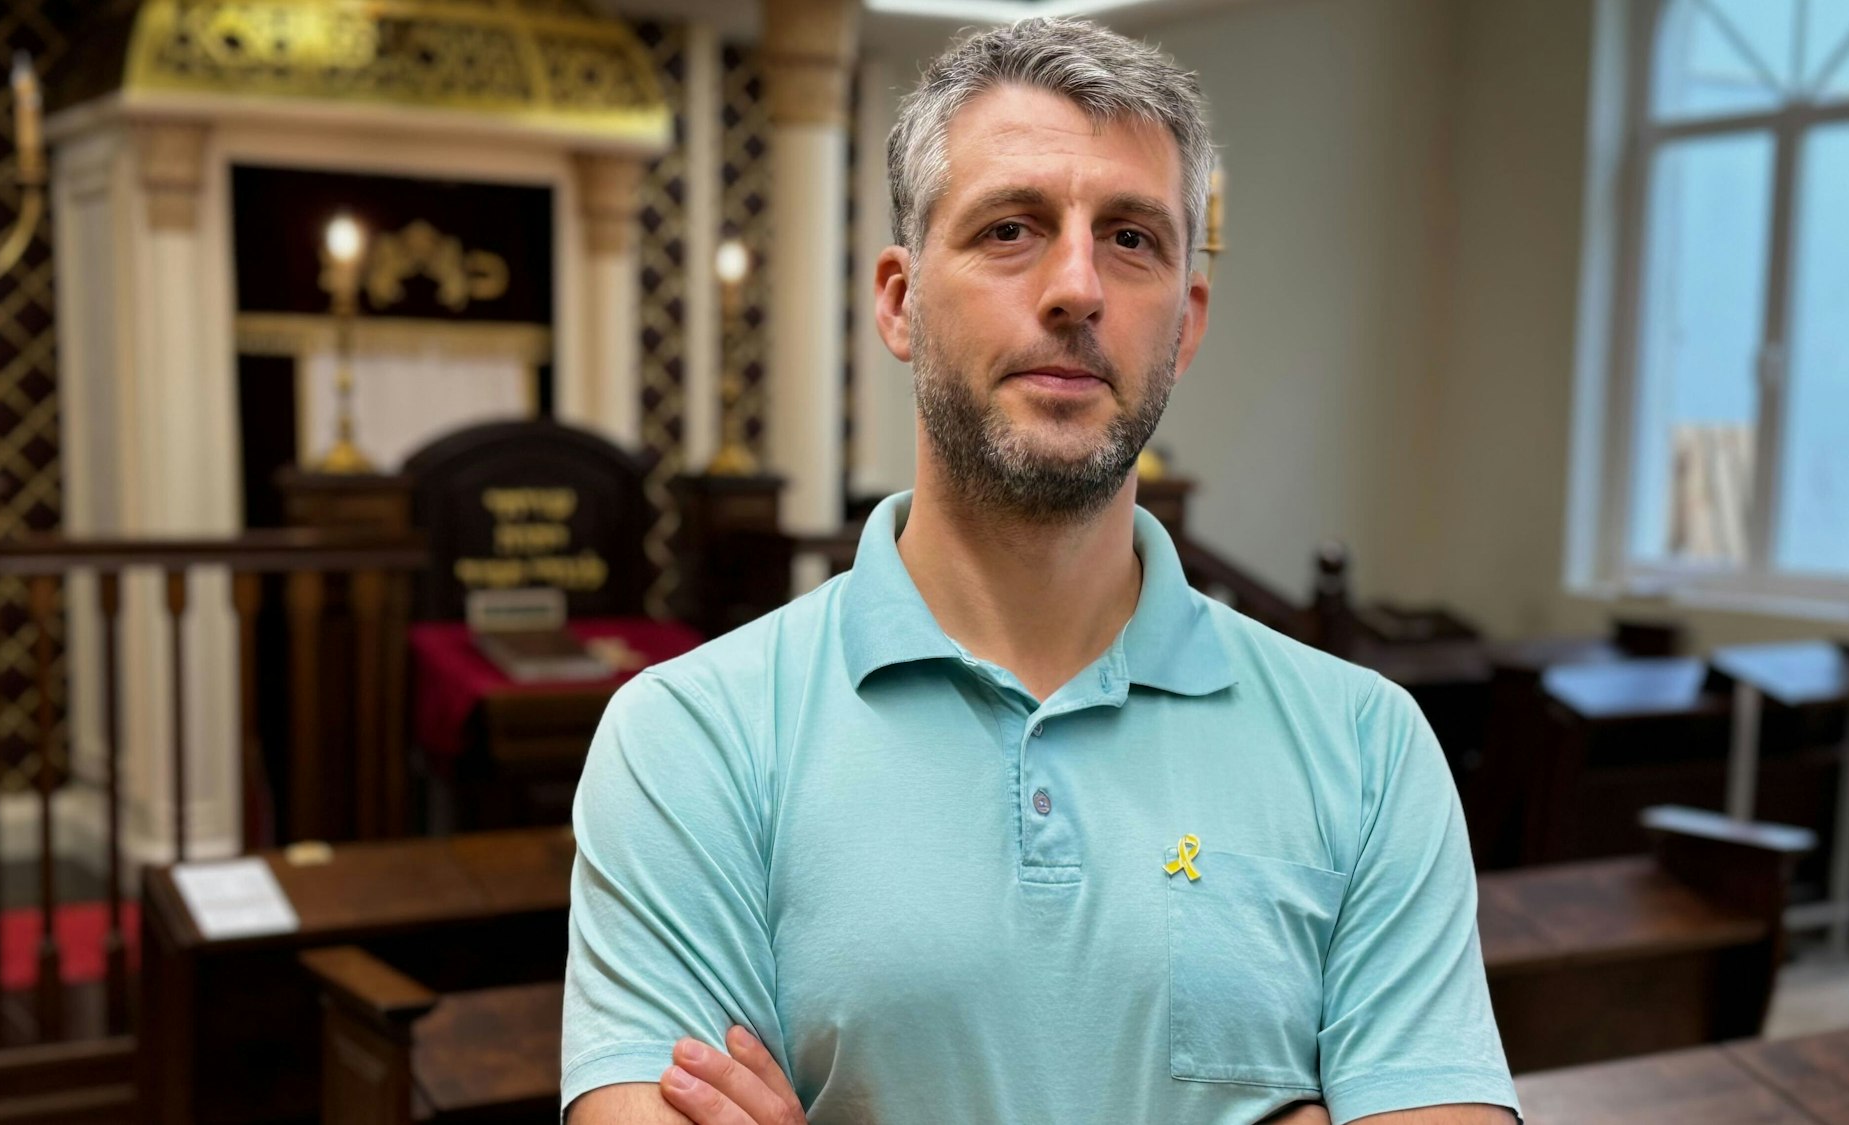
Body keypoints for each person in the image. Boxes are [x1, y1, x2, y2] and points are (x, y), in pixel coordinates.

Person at [562, 17, 1518, 1125]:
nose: (1076, 288)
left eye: (1130, 239)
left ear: (1186, 321)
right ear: (899, 300)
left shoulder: (1367, 747)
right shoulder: (691, 736)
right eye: (1010, 229)